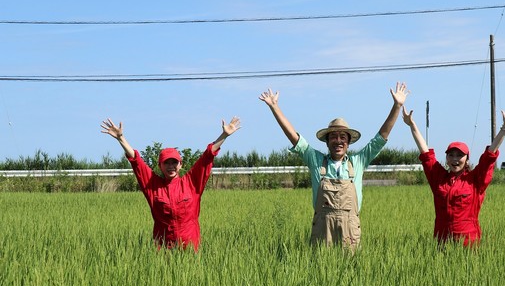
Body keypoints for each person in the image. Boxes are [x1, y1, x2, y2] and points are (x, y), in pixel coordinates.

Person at [259, 82, 410, 251]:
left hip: (350, 229)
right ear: (327, 141)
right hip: (323, 229)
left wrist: (397, 106)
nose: (338, 141)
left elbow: (381, 138)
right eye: (334, 137)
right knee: (321, 270)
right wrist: (274, 107)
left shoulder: (358, 161)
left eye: (342, 137)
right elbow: (293, 137)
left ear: (348, 141)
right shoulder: (315, 160)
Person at [100, 116, 241, 251]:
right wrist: (121, 138)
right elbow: (137, 162)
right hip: (163, 248)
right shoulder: (152, 185)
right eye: (166, 163)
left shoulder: (192, 182)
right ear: (160, 166)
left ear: (180, 165)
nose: (171, 166)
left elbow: (207, 157)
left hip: (190, 246)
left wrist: (224, 136)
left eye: (174, 162)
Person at [402, 104, 505, 246]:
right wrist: (412, 125)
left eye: (459, 155)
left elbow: (490, 155)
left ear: (466, 159)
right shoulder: (439, 178)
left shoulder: (475, 180)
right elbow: (426, 154)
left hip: (469, 244)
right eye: (451, 155)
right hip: (442, 243)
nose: (455, 159)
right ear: (446, 158)